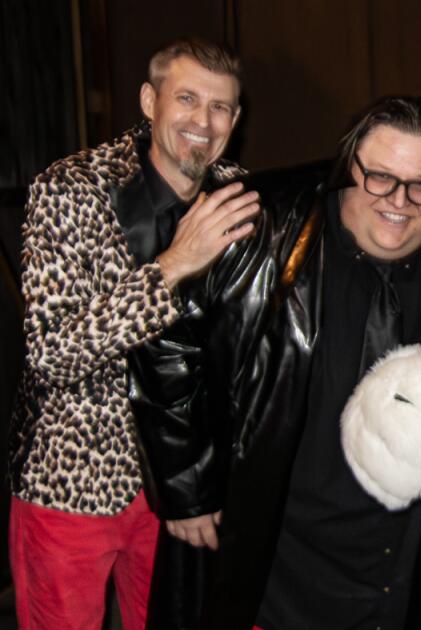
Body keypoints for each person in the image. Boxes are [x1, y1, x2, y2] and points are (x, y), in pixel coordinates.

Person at [129, 95, 421, 629]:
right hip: (281, 572)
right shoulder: (264, 231)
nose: (400, 201)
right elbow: (163, 335)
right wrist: (185, 482)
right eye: (380, 178)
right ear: (347, 167)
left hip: (401, 575)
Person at [8, 37, 255, 629]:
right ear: (150, 101)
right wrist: (171, 267)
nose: (203, 122)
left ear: (236, 118)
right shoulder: (70, 189)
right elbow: (52, 353)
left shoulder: (238, 196)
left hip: (180, 487)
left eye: (220, 107)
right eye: (187, 98)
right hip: (71, 482)